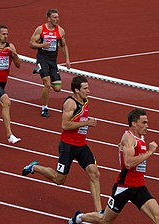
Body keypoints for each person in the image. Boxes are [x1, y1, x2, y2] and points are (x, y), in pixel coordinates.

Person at [68, 108, 159, 224]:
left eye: (147, 122)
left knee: (158, 216)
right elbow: (128, 163)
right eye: (144, 123)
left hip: (139, 186)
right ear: (134, 123)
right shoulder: (129, 138)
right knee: (105, 220)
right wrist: (149, 152)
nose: (147, 126)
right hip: (124, 187)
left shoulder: (140, 138)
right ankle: (80, 218)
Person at [22, 76, 103, 213]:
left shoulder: (84, 100)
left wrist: (84, 121)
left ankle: (99, 211)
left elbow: (78, 118)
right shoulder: (70, 104)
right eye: (85, 88)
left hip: (81, 145)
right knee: (59, 179)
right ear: (77, 90)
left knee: (94, 173)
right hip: (68, 146)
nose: (88, 91)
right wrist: (86, 122)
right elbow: (64, 125)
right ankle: (34, 167)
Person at [29, 8, 70, 117]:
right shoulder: (40, 29)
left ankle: (42, 71)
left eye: (58, 17)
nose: (57, 19)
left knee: (57, 88)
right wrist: (42, 45)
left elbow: (64, 45)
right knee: (47, 84)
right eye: (55, 17)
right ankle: (44, 107)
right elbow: (31, 43)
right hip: (42, 58)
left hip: (53, 61)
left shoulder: (60, 31)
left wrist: (67, 60)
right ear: (49, 18)